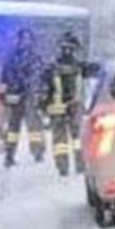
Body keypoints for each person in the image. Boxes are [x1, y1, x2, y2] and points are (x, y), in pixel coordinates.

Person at [41, 32, 88, 176]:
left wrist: (44, 106)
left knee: (66, 141)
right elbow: (45, 90)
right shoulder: (79, 68)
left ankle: (67, 166)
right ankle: (75, 165)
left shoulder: (53, 69)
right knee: (76, 139)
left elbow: (44, 91)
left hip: (64, 110)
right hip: (70, 109)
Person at [0, 28, 45, 167]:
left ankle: (37, 152)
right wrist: (4, 94)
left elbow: (40, 76)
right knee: (13, 128)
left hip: (29, 97)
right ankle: (9, 155)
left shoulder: (34, 57)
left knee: (34, 127)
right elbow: (4, 77)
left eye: (28, 39)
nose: (26, 42)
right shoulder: (11, 58)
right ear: (19, 40)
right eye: (24, 39)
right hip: (16, 97)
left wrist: (40, 92)